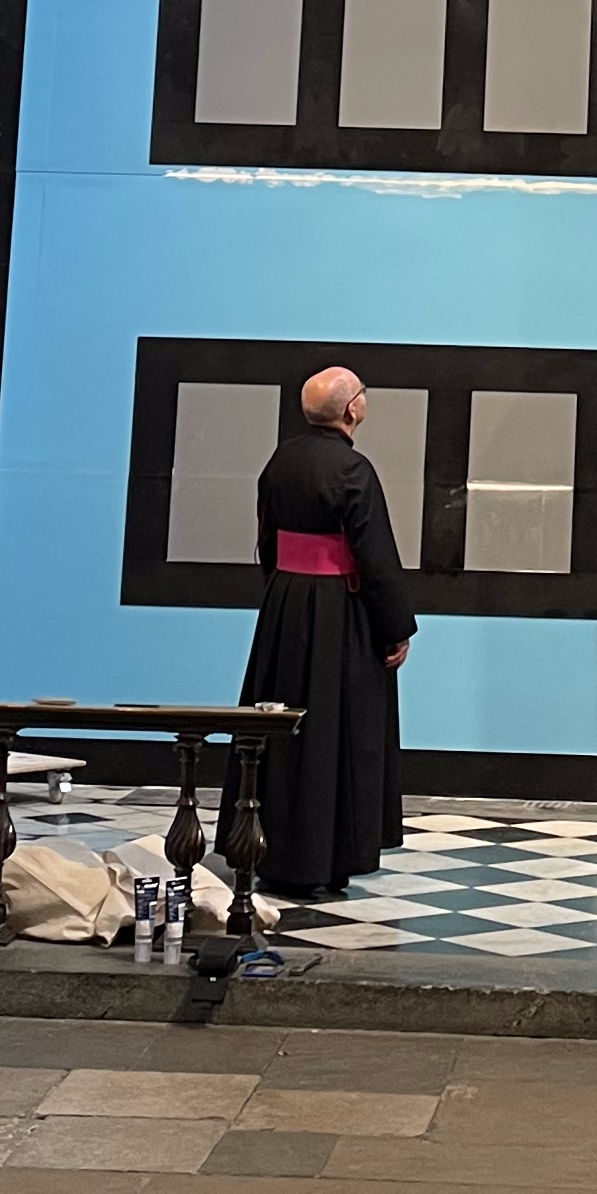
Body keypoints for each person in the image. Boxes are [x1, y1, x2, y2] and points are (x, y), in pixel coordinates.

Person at [241, 366, 416, 894]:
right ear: (351, 409)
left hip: (283, 606)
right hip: (341, 611)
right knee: (334, 732)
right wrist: (396, 628)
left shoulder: (280, 460)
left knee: (280, 730)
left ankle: (269, 850)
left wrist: (283, 592)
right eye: (363, 393)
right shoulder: (353, 469)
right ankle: (328, 857)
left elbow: (267, 538)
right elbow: (375, 556)